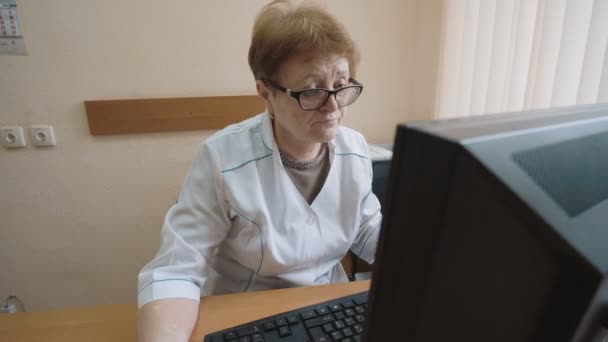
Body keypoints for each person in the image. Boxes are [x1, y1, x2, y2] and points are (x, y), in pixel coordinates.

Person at [137, 1, 382, 340]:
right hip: (248, 316)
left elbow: (368, 229)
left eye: (340, 86)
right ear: (266, 91)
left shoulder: (354, 149)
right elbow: (175, 270)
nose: (332, 107)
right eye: (311, 91)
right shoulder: (222, 158)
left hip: (324, 311)